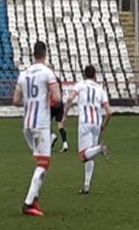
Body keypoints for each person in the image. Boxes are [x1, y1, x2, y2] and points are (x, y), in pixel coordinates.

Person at [13, 41, 61, 216]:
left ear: (33, 54)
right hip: (41, 124)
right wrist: (48, 103)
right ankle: (28, 203)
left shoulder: (24, 74)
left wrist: (30, 103)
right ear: (45, 54)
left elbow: (16, 100)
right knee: (43, 163)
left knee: (41, 160)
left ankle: (35, 198)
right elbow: (57, 98)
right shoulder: (47, 73)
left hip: (27, 124)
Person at [62, 65, 112, 195]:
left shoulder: (80, 85)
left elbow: (69, 99)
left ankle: (100, 148)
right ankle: (87, 185)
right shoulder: (100, 89)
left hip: (85, 122)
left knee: (83, 155)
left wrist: (65, 115)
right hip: (97, 123)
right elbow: (109, 112)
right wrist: (104, 125)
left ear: (84, 74)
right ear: (95, 75)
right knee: (90, 155)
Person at [48, 66, 70, 153]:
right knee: (60, 125)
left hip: (51, 104)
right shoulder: (57, 79)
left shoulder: (48, 80)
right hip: (59, 103)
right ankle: (65, 143)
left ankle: (52, 135)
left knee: (46, 123)